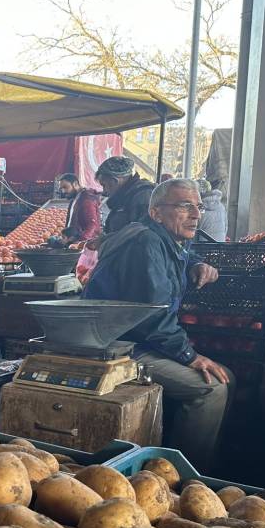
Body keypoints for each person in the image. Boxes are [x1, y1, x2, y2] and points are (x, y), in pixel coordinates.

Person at [84, 178, 229, 473]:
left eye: (198, 206)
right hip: (120, 346)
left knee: (226, 378)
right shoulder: (145, 243)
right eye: (184, 206)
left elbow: (183, 254)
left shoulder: (164, 239)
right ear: (156, 213)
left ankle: (189, 460)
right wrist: (190, 356)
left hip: (140, 339)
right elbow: (153, 317)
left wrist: (196, 264)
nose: (196, 214)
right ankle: (181, 476)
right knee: (211, 389)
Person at [95, 156, 155, 235]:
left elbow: (142, 235)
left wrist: (106, 240)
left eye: (104, 185)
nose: (104, 191)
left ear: (115, 180)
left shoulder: (143, 197)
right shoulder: (124, 198)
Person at [56, 173, 102, 242]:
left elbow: (92, 225)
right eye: (61, 189)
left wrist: (79, 241)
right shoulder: (76, 199)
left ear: (75, 184)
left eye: (65, 187)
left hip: (86, 245)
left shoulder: (86, 200)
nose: (63, 191)